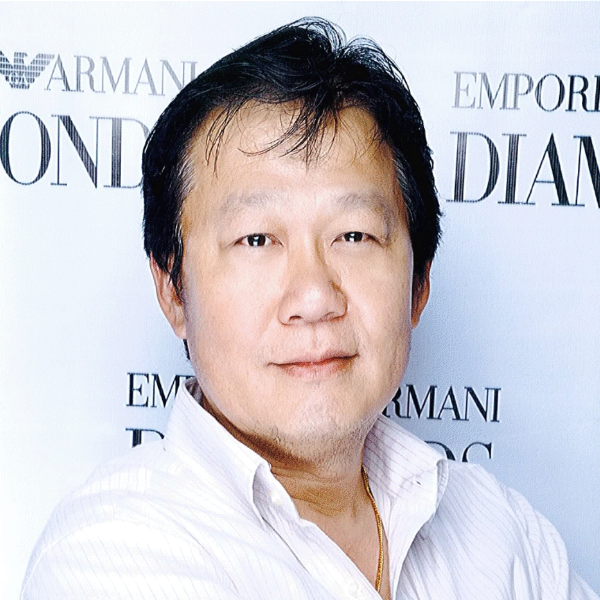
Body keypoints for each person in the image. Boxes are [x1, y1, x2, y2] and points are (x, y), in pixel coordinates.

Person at [21, 18, 598, 600]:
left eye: (354, 235)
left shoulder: (502, 531)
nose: (315, 298)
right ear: (173, 289)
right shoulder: (110, 551)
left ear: (419, 282)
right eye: (256, 240)